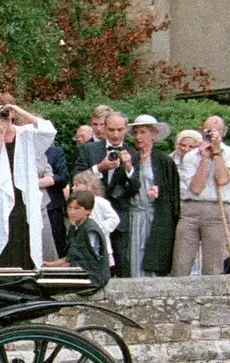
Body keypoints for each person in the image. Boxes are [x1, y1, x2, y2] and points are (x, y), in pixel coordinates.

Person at [0, 96, 53, 269]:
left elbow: (48, 131)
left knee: (22, 234)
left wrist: (18, 110)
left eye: (2, 113)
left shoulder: (26, 133)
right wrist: (0, 136)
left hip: (22, 195)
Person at [173, 116, 230, 276]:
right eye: (208, 131)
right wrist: (204, 159)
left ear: (223, 132)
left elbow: (223, 179)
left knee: (213, 265)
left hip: (217, 208)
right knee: (181, 261)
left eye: (216, 132)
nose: (211, 135)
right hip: (191, 208)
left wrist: (216, 153)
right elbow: (196, 188)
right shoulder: (191, 156)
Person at [79, 111, 145, 276]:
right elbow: (77, 177)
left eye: (120, 129)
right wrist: (100, 168)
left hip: (120, 215)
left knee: (122, 262)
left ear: (125, 130)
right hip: (91, 214)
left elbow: (135, 189)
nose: (116, 134)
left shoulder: (133, 153)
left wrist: (129, 167)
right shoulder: (89, 149)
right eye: (111, 129)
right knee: (92, 260)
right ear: (105, 129)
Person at [130, 114, 180, 276]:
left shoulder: (163, 160)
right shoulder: (131, 157)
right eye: (136, 133)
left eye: (143, 132)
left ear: (153, 134)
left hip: (156, 216)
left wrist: (160, 191)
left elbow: (172, 192)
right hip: (135, 215)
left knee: (154, 255)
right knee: (134, 255)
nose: (138, 137)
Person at [45, 189, 112, 288]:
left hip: (93, 278)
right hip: (80, 272)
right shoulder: (74, 227)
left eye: (77, 208)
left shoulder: (90, 230)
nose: (72, 212)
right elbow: (71, 257)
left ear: (88, 210)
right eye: (70, 208)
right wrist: (50, 265)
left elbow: (89, 260)